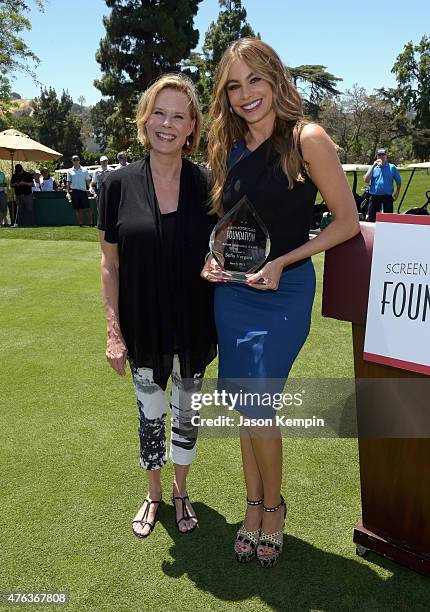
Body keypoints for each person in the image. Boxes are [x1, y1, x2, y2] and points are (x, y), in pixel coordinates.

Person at [201, 38, 360, 567]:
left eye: (256, 80)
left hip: (283, 293)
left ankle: (274, 508)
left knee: (260, 404)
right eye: (234, 86)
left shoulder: (306, 139)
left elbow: (345, 223)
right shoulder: (226, 147)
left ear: (276, 79)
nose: (247, 95)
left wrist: (285, 263)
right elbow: (228, 222)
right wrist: (214, 259)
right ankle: (252, 505)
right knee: (246, 407)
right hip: (234, 294)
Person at [98, 73, 217, 539]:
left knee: (187, 414)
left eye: (179, 116)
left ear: (192, 128)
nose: (167, 124)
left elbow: (220, 250)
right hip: (143, 325)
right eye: (159, 113)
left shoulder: (209, 185)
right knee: (150, 414)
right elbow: (110, 264)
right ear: (145, 120)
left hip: (193, 324)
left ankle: (181, 490)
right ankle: (153, 493)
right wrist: (113, 330)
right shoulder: (116, 185)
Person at [364, 148, 401, 222]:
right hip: (375, 197)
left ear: (386, 156)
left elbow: (398, 181)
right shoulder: (373, 167)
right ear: (377, 157)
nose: (381, 156)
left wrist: (397, 193)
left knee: (388, 219)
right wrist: (373, 166)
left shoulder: (392, 167)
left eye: (383, 154)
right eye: (379, 155)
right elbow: (366, 180)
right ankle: (372, 233)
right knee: (372, 218)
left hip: (387, 197)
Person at [66, 155, 93, 227]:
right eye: (74, 160)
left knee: (88, 208)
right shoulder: (69, 171)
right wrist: (68, 192)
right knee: (78, 209)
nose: (76, 161)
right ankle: (81, 224)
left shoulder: (84, 170)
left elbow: (88, 180)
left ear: (79, 160)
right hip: (74, 192)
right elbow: (68, 182)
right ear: (72, 161)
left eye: (77, 159)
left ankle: (91, 224)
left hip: (83, 191)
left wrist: (90, 187)